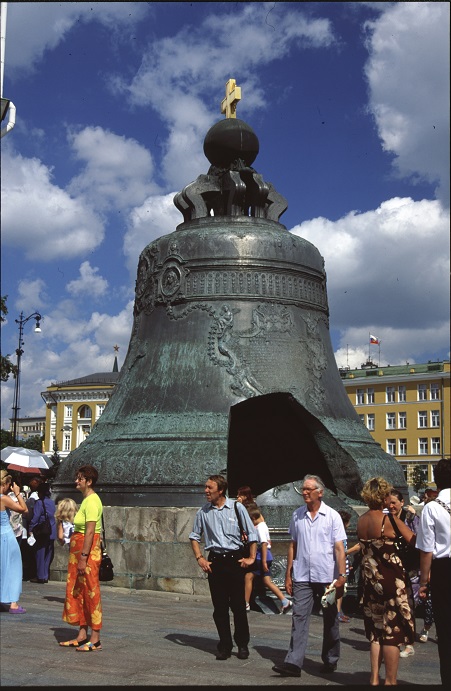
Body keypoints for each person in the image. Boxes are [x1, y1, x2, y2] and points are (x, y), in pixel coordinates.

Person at [272, 474, 347, 679]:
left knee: (330, 620)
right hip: (303, 575)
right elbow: (293, 545)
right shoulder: (297, 515)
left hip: (327, 577)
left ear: (319, 492)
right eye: (303, 489)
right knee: (299, 618)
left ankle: (331, 659)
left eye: (308, 489)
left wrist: (342, 576)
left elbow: (339, 549)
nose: (304, 492)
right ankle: (293, 663)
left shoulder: (332, 516)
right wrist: (288, 573)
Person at [189, 474, 258, 660]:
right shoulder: (203, 512)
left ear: (220, 490)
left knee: (238, 606)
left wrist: (251, 557)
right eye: (205, 487)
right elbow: (194, 536)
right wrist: (200, 558)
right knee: (219, 608)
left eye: (209, 488)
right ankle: (225, 645)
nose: (206, 491)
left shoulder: (237, 507)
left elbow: (252, 534)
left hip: (235, 560)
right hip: (215, 562)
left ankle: (242, 644)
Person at [357, 477, 415, 686]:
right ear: (383, 496)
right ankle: (390, 681)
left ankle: (374, 678)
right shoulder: (388, 520)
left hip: (371, 583)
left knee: (376, 630)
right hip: (391, 581)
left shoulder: (362, 520)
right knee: (393, 631)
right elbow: (413, 540)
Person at [59, 465, 103, 652]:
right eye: (77, 478)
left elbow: (91, 532)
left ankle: (96, 638)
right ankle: (82, 634)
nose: (76, 481)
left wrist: (84, 557)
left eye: (80, 479)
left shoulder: (92, 501)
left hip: (87, 552)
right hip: (79, 552)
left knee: (91, 592)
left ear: (89, 481)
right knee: (79, 591)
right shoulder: (85, 500)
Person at [417, 457, 451, 686]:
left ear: (437, 481)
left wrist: (423, 581)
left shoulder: (431, 508)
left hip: (443, 571)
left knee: (446, 630)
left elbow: (427, 550)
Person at [386, 489, 420, 659]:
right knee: (394, 605)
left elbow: (418, 540)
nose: (391, 506)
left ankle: (410, 643)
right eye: (389, 503)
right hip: (393, 567)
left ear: (401, 502)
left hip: (409, 567)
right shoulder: (386, 518)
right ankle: (397, 640)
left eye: (394, 502)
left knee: (407, 605)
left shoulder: (410, 518)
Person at [245, 506, 292, 614]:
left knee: (248, 577)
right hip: (266, 556)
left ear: (253, 518)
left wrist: (263, 561)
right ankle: (285, 601)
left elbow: (264, 544)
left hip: (261, 556)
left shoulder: (260, 527)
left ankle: (246, 603)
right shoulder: (263, 525)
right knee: (266, 581)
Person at [0, 469, 28, 613]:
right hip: (6, 535)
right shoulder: (3, 498)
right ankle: (13, 603)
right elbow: (24, 509)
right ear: (5, 484)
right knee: (13, 567)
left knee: (2, 567)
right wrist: (17, 493)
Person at [28, 482, 56, 583]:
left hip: (42, 531)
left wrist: (30, 528)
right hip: (52, 531)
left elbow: (35, 517)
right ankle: (45, 575)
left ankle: (40, 575)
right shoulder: (52, 502)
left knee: (40, 553)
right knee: (48, 553)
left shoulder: (40, 503)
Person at [336, 509, 360, 623]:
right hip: (339, 567)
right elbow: (340, 552)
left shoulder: (341, 535)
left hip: (343, 565)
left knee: (341, 590)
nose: (349, 524)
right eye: (347, 522)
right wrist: (353, 549)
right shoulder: (339, 536)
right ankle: (337, 613)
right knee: (339, 590)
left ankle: (339, 611)